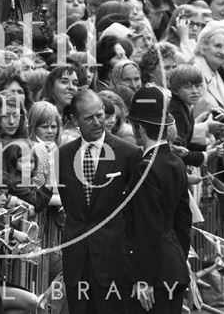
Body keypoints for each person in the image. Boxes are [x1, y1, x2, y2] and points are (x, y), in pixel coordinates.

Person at [57, 89, 141, 313]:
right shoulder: (63, 156)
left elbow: (136, 212)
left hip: (114, 261)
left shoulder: (129, 154)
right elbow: (68, 204)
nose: (97, 122)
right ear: (75, 120)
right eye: (89, 118)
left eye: (100, 115)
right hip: (77, 261)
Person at [125, 86, 192, 314]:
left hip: (154, 274)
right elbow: (184, 221)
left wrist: (143, 278)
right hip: (173, 266)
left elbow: (147, 228)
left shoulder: (146, 168)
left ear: (140, 129)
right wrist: (180, 260)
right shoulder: (176, 162)